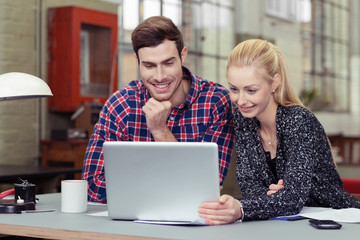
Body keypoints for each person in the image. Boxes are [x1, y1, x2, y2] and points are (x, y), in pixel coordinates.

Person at [198, 39, 360, 224]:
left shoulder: (299, 121)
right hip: (288, 222)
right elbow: (251, 190)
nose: (241, 100)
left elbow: (291, 200)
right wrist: (278, 199)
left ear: (274, 83)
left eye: (251, 90)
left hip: (338, 221)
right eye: (234, 89)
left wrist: (241, 207)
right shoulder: (244, 121)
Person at [82, 16, 234, 203]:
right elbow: (92, 187)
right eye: (149, 65)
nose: (159, 76)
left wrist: (160, 130)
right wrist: (176, 184)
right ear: (138, 61)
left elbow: (206, 189)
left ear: (183, 55)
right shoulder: (121, 104)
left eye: (168, 63)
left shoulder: (215, 102)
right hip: (130, 226)